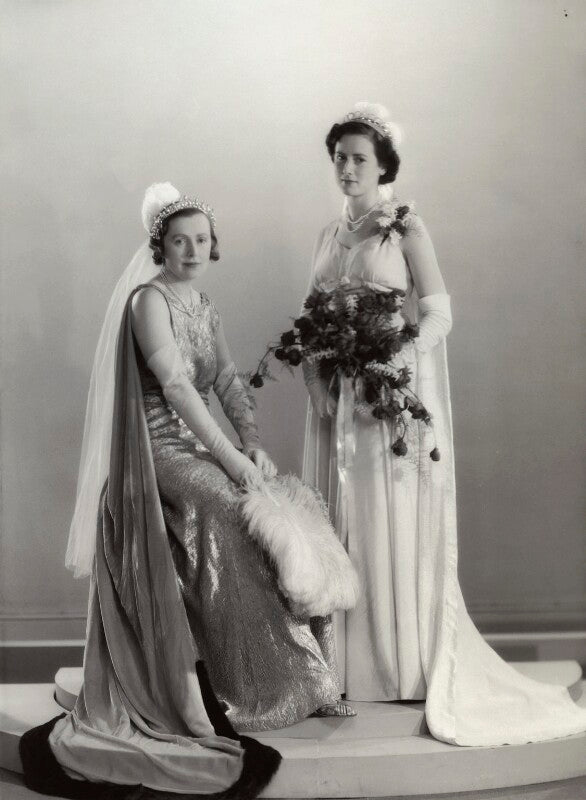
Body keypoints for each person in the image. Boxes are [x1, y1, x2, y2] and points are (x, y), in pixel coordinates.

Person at [20, 183, 350, 799]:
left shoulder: (204, 303)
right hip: (153, 451)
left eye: (201, 240)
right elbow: (174, 386)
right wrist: (229, 458)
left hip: (198, 445)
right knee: (227, 506)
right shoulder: (149, 301)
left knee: (273, 502)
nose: (192, 251)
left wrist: (252, 444)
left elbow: (225, 378)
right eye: (180, 241)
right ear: (161, 247)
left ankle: (299, 676)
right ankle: (231, 687)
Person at [301, 102, 586, 746]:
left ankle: (395, 665)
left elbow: (438, 312)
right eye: (339, 158)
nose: (347, 168)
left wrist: (395, 362)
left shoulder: (404, 227)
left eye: (359, 159)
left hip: (386, 394)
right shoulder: (327, 234)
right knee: (340, 519)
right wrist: (316, 379)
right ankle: (339, 669)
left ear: (383, 167)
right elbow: (310, 314)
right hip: (336, 397)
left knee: (385, 516)